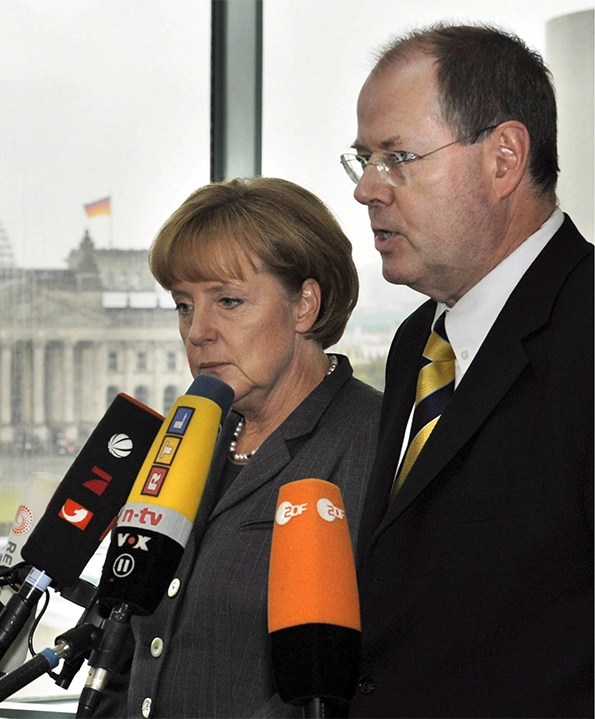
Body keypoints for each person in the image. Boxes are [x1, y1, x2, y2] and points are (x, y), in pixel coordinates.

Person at [341, 23, 593, 717]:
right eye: (362, 158)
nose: (365, 188)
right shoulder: (415, 346)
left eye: (396, 156)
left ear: (503, 158)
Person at [94, 176, 381, 718]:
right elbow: (124, 644)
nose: (197, 331)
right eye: (183, 305)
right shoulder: (183, 441)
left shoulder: (377, 443)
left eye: (228, 301)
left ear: (305, 306)